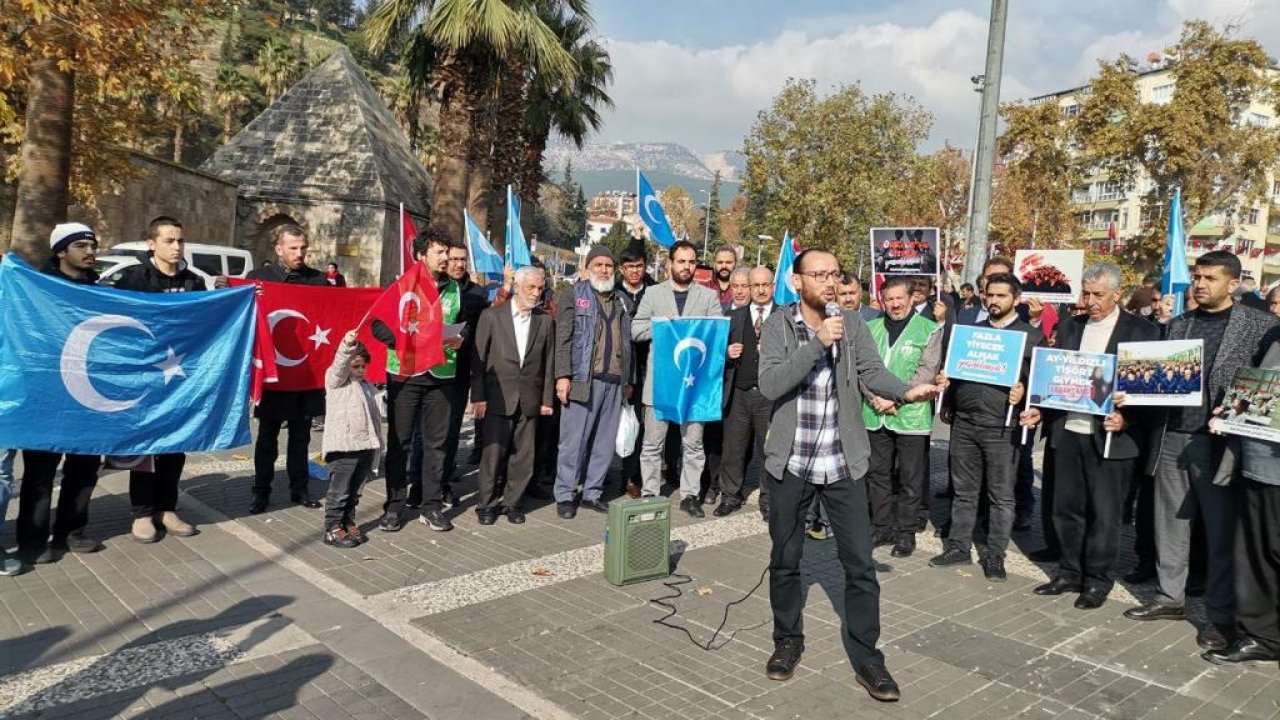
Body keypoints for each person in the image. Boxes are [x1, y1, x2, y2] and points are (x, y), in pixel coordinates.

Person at [758, 248, 939, 702]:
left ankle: (868, 657)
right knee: (785, 559)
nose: (830, 282)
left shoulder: (853, 324)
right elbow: (771, 383)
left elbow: (872, 372)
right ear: (797, 282)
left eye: (835, 274)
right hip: (793, 462)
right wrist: (817, 342)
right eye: (819, 275)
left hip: (842, 463)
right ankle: (787, 640)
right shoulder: (780, 325)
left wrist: (906, 391)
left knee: (859, 566)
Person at [1124, 251, 1279, 653]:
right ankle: (1169, 597)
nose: (1199, 283)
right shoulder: (1179, 324)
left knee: (1221, 533)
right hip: (1172, 436)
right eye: (1197, 276)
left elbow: (1265, 386)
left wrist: (1230, 412)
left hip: (1222, 446)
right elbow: (1155, 379)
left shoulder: (1262, 327)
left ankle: (1221, 616)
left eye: (1209, 277)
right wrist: (1134, 390)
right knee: (1170, 525)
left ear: (1233, 283)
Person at [1019, 263, 1159, 609]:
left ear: (1117, 295)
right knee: (1066, 508)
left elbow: (1151, 393)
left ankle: (1097, 579)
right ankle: (1069, 571)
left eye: (1099, 295)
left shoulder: (1143, 333)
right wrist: (1041, 410)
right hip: (1069, 431)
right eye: (1086, 294)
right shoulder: (1069, 327)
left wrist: (1128, 420)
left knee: (1104, 513)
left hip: (1112, 438)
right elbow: (1055, 381)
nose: (1091, 301)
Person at [932, 273, 1045, 581]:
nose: (993, 301)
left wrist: (1025, 397)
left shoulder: (1030, 337)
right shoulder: (970, 334)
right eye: (990, 295)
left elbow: (1041, 385)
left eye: (1001, 296)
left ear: (1016, 300)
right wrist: (946, 390)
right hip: (966, 423)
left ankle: (995, 554)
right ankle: (958, 546)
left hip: (1002, 427)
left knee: (1001, 495)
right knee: (965, 491)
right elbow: (954, 373)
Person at [375, 227, 483, 533]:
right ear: (421, 255)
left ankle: (431, 506)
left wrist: (461, 337)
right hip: (406, 373)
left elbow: (466, 327)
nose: (446, 258)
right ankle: (395, 507)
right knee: (400, 444)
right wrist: (400, 341)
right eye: (440, 253)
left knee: (438, 444)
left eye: (448, 253)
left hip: (442, 375)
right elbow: (377, 323)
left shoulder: (456, 289)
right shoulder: (400, 285)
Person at [15, 224, 106, 565]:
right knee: (40, 472)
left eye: (92, 245)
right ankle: (32, 539)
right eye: (81, 245)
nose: (90, 251)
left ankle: (72, 531)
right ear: (61, 251)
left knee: (84, 467)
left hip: (87, 395)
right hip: (46, 394)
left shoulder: (101, 291)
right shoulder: (37, 290)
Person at [114, 216, 204, 543]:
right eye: (169, 241)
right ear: (152, 244)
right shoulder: (133, 280)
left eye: (180, 240)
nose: (177, 246)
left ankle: (167, 508)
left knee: (175, 446)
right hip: (143, 378)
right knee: (146, 447)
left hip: (179, 377)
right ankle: (141, 513)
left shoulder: (195, 282)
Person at [632, 240, 724, 517]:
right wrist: (662, 324)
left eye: (691, 261)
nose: (686, 266)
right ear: (670, 263)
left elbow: (717, 333)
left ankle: (690, 495)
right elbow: (635, 330)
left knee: (694, 445)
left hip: (694, 387)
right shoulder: (653, 293)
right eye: (681, 261)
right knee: (651, 445)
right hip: (660, 385)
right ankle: (650, 494)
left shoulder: (708, 297)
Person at [1206, 325, 1280, 664]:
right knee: (1256, 554)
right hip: (1258, 462)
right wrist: (1230, 411)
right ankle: (1260, 637)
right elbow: (1254, 391)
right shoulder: (1273, 337)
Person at [245, 224, 329, 515]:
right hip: (274, 373)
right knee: (267, 436)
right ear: (278, 249)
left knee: (301, 435)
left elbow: (336, 311)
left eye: (303, 248)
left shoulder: (318, 281)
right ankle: (261, 491)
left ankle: (299, 488)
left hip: (306, 374)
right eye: (293, 248)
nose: (299, 253)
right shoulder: (259, 279)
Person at [861, 276, 943, 558]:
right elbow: (860, 369)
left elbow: (926, 371)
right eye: (889, 299)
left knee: (910, 477)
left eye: (899, 298)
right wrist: (874, 398)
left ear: (912, 298)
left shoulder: (929, 330)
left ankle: (906, 533)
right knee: (878, 474)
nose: (894, 304)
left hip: (911, 415)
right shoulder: (869, 328)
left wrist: (894, 397)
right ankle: (880, 526)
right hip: (875, 411)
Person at [552, 245, 634, 518]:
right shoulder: (572, 295)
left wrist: (628, 379)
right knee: (573, 441)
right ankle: (565, 494)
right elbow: (562, 340)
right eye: (597, 264)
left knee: (604, 442)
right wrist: (562, 376)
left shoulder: (623, 301)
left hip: (614, 381)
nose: (603, 269)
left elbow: (629, 343)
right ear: (587, 269)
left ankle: (592, 492)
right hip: (582, 379)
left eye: (608, 265)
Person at [471, 266, 556, 524]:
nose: (536, 293)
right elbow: (478, 360)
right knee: (493, 455)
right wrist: (479, 397)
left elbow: (549, 363)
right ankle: (486, 504)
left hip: (530, 398)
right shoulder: (492, 316)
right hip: (497, 396)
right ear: (517, 286)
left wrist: (546, 400)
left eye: (540, 288)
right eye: (531, 287)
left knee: (524, 455)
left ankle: (513, 502)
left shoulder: (545, 320)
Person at [716, 266, 775, 519]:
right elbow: (715, 351)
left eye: (765, 285)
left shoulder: (785, 317)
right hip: (739, 393)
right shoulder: (733, 316)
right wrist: (726, 353)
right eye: (755, 285)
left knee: (769, 451)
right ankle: (730, 496)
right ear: (748, 288)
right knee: (734, 448)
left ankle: (769, 500)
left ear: (772, 287)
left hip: (770, 395)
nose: (760, 290)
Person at [437, 243, 490, 506]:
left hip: (459, 371)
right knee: (427, 434)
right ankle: (421, 482)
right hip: (431, 369)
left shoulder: (477, 294)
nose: (459, 264)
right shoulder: (434, 289)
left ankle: (444, 481)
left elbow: (482, 332)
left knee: (450, 430)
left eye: (463, 259)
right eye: (454, 259)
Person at [319, 331, 382, 548]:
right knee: (339, 491)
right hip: (344, 448)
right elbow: (339, 367)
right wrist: (347, 344)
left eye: (363, 365)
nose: (360, 370)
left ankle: (348, 521)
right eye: (355, 366)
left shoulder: (367, 387)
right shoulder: (336, 382)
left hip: (365, 447)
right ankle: (333, 527)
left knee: (355, 491)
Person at [615, 242, 655, 497]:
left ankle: (632, 476)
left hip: (647, 367)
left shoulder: (654, 291)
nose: (634, 272)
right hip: (618, 367)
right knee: (614, 424)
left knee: (638, 424)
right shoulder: (613, 292)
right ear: (621, 269)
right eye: (629, 267)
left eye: (638, 266)